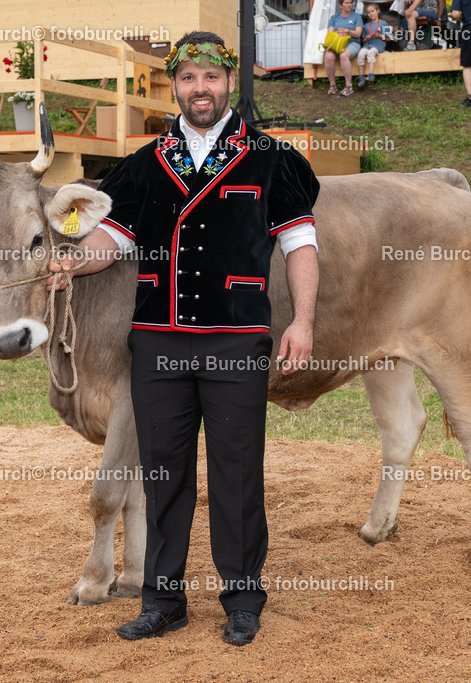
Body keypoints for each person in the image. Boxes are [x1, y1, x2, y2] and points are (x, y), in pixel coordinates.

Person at [48, 31, 320, 647]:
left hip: (237, 341)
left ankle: (242, 600)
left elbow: (301, 244)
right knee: (164, 477)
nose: (201, 89)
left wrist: (301, 321)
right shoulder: (144, 165)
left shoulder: (274, 160)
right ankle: (163, 601)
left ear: (230, 82)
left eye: (212, 77)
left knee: (237, 475)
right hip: (158, 344)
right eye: (189, 79)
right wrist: (69, 260)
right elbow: (110, 242)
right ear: (175, 86)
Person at [324, 0, 364, 96]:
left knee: (343, 55)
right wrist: (338, 32)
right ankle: (332, 85)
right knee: (328, 56)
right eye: (346, 3)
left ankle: (348, 86)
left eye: (350, 3)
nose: (349, 5)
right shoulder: (334, 18)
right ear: (340, 6)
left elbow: (358, 34)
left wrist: (347, 31)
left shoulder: (357, 17)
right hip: (338, 43)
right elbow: (330, 33)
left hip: (353, 43)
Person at [357, 4, 392, 86]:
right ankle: (361, 76)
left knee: (371, 53)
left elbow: (389, 39)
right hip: (368, 45)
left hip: (378, 46)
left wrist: (379, 36)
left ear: (378, 11)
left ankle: (371, 74)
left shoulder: (384, 23)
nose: (371, 14)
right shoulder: (366, 26)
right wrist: (366, 38)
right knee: (361, 54)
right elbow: (363, 40)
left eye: (372, 11)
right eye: (368, 12)